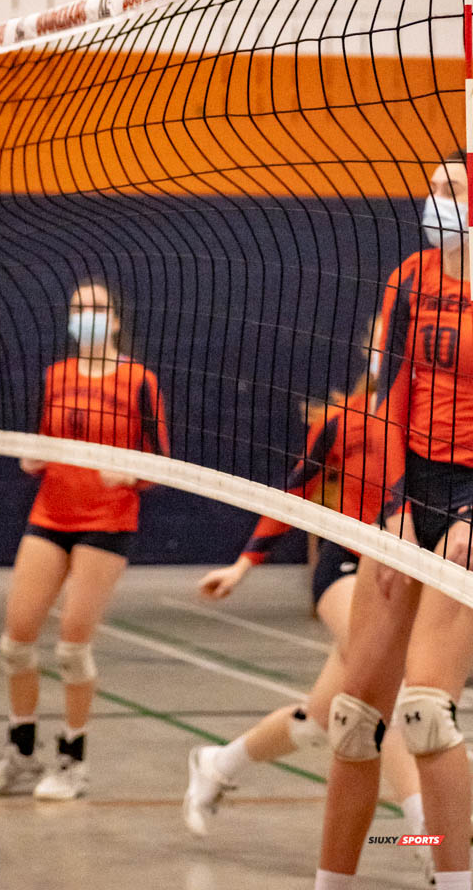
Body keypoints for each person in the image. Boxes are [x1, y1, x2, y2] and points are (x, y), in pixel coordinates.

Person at [182, 326, 432, 882]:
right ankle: (426, 836)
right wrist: (245, 564)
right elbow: (294, 493)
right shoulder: (343, 422)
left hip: (414, 576)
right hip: (348, 568)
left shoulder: (441, 428)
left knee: (325, 720)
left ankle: (216, 763)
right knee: (385, 696)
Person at [315, 150, 473, 890]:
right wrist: (397, 513)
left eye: (451, 189)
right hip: (416, 497)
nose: (434, 200)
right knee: (352, 718)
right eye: (432, 188)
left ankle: (455, 877)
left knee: (427, 715)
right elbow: (398, 398)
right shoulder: (409, 278)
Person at [0, 278, 169, 801]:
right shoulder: (56, 375)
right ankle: (20, 756)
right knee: (15, 644)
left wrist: (132, 476)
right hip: (51, 514)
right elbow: (46, 436)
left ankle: (73, 762)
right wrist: (34, 457)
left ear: (117, 321)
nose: (87, 317)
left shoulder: (140, 381)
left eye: (98, 308)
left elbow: (161, 460)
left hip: (106, 521)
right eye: (80, 308)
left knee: (72, 651)